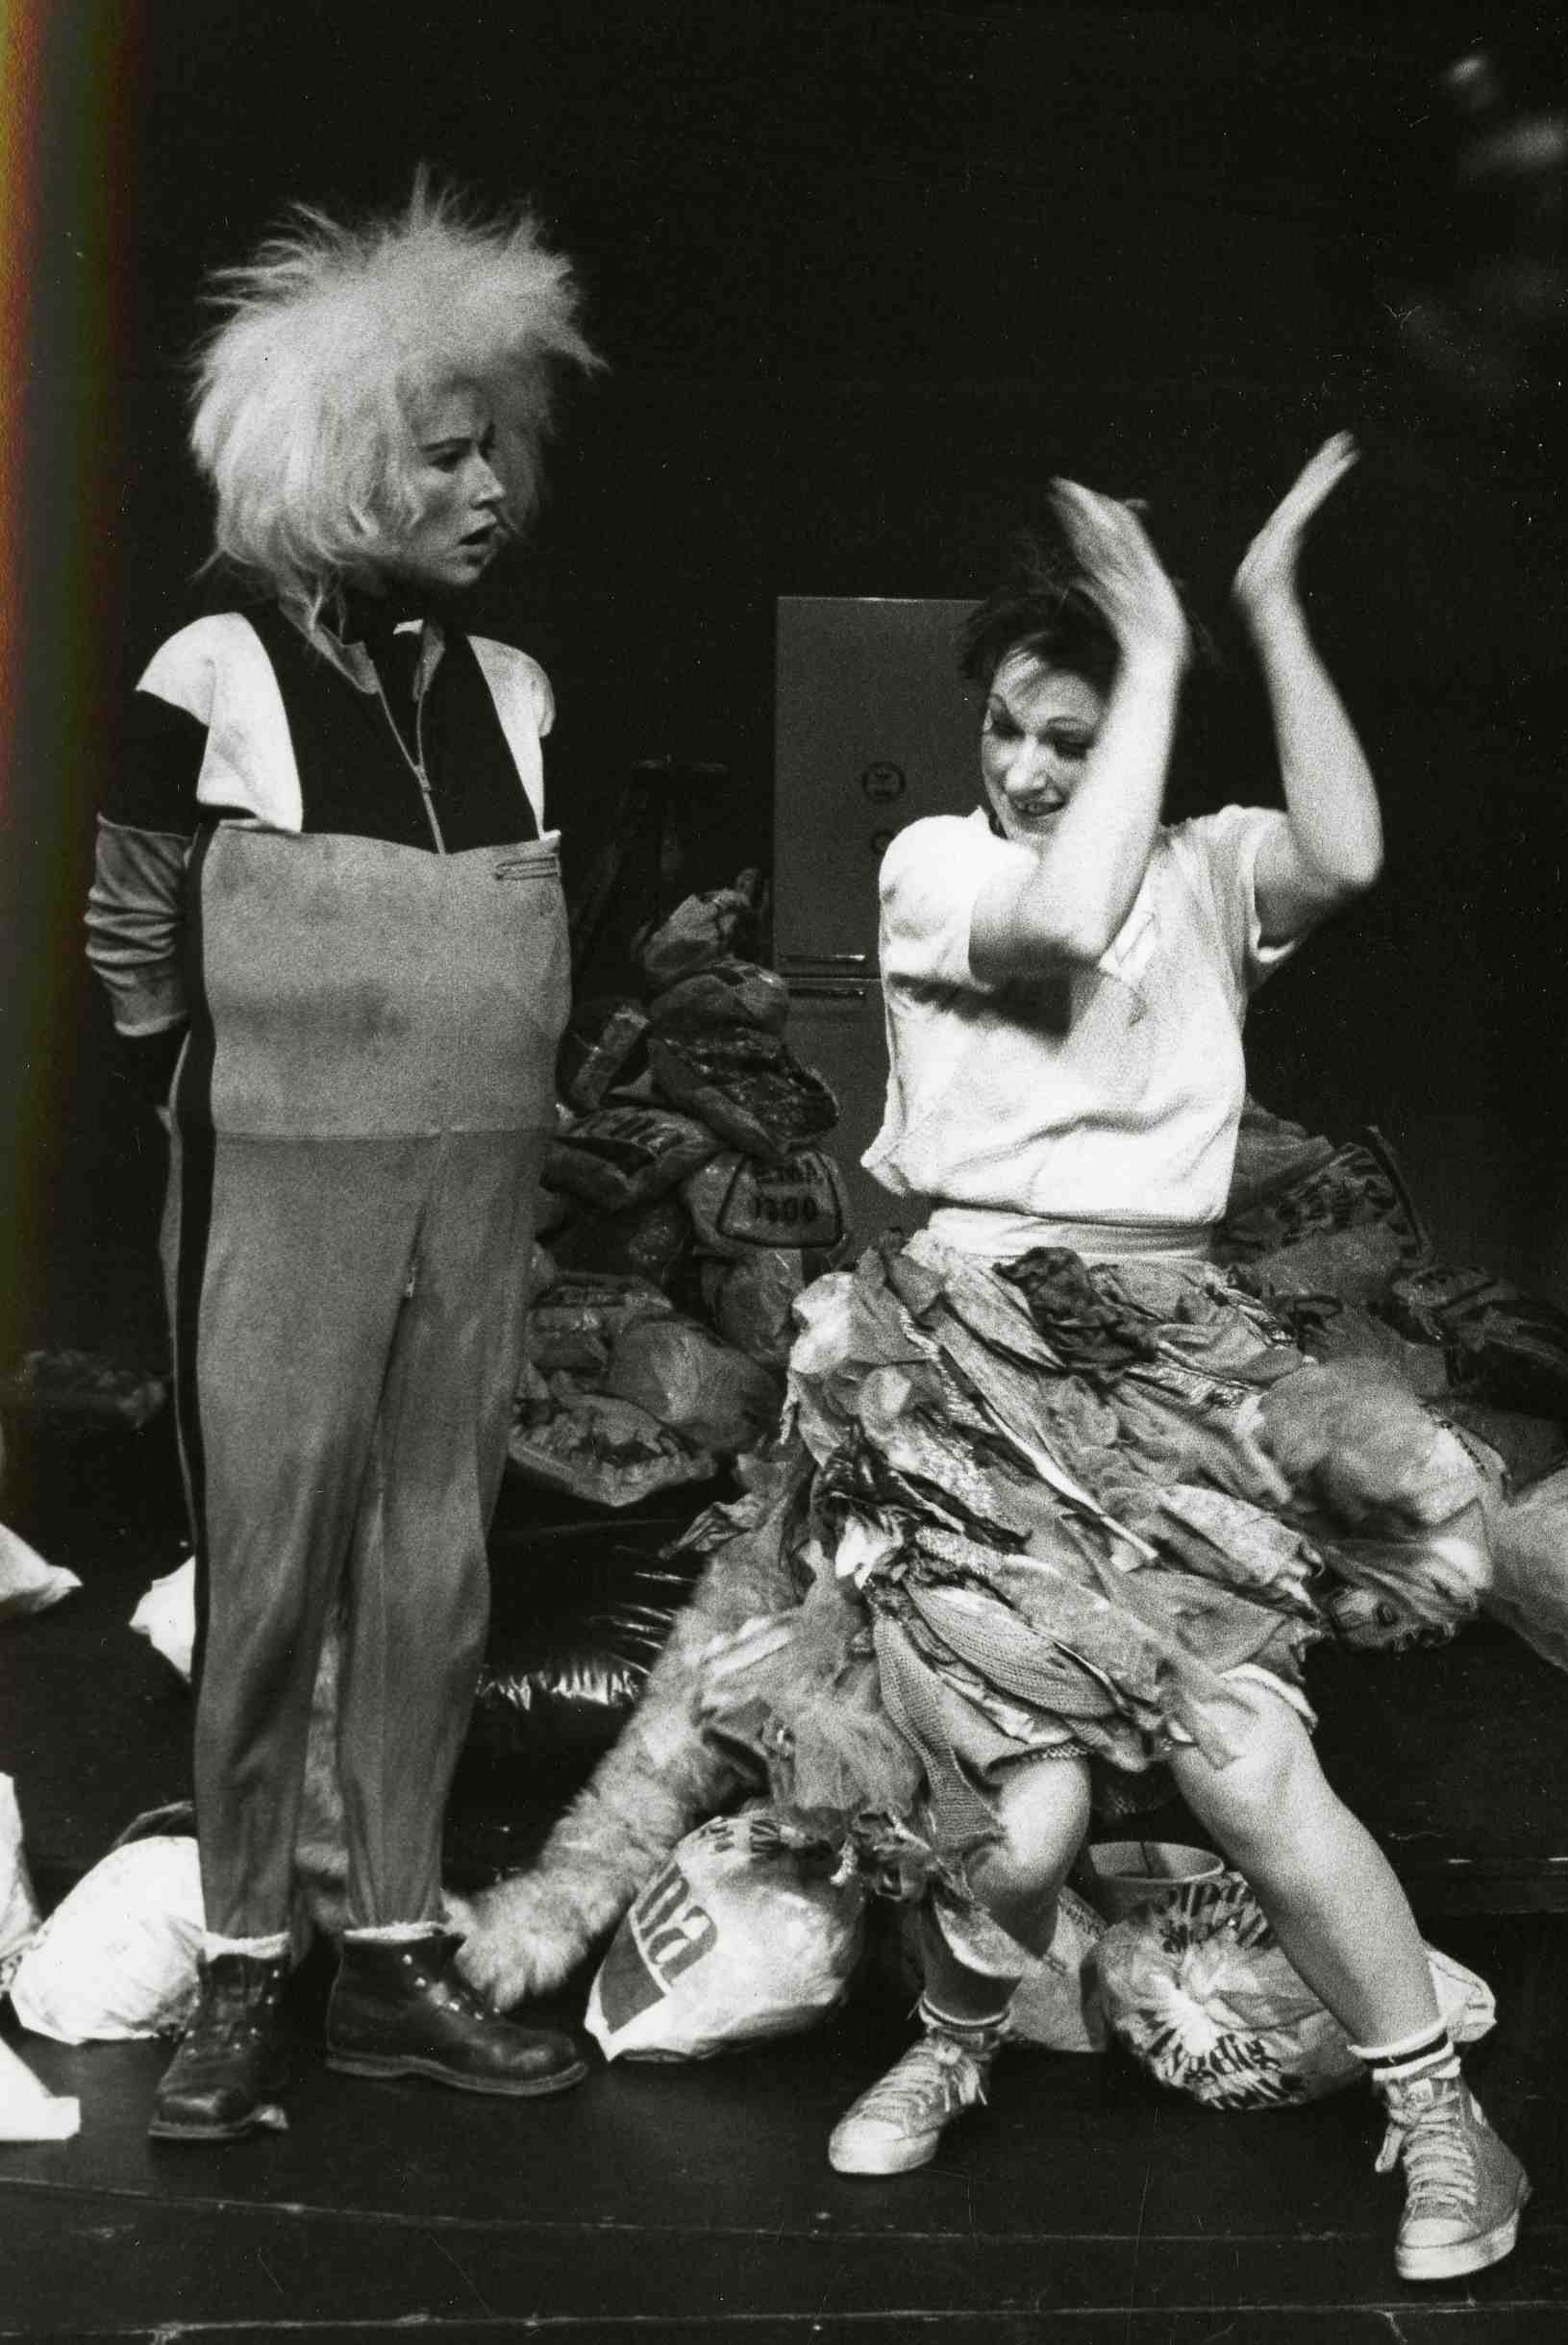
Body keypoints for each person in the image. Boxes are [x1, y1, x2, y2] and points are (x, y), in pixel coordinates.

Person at [684, 437, 1529, 2283]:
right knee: (1019, 1821)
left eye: (1069, 737)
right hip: (969, 1372)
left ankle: (1444, 2118)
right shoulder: (934, 870)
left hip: (1161, 1370)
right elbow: (1061, 916)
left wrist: (1265, 614)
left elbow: (1351, 854)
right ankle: (957, 2036)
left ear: (1132, 739)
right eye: (1007, 728)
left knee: (1242, 1762)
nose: (1028, 766)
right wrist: (1143, 650)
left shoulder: (1205, 869)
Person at [85, 179, 599, 2142]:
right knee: (270, 1567)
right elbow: (133, 928)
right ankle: (243, 1963)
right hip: (280, 1182)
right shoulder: (207, 670)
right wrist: (219, 1096)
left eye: (496, 452)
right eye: (444, 455)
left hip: (476, 1191)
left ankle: (388, 1954)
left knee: (434, 1571)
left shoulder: (517, 689)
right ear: (338, 465)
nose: (488, 489)